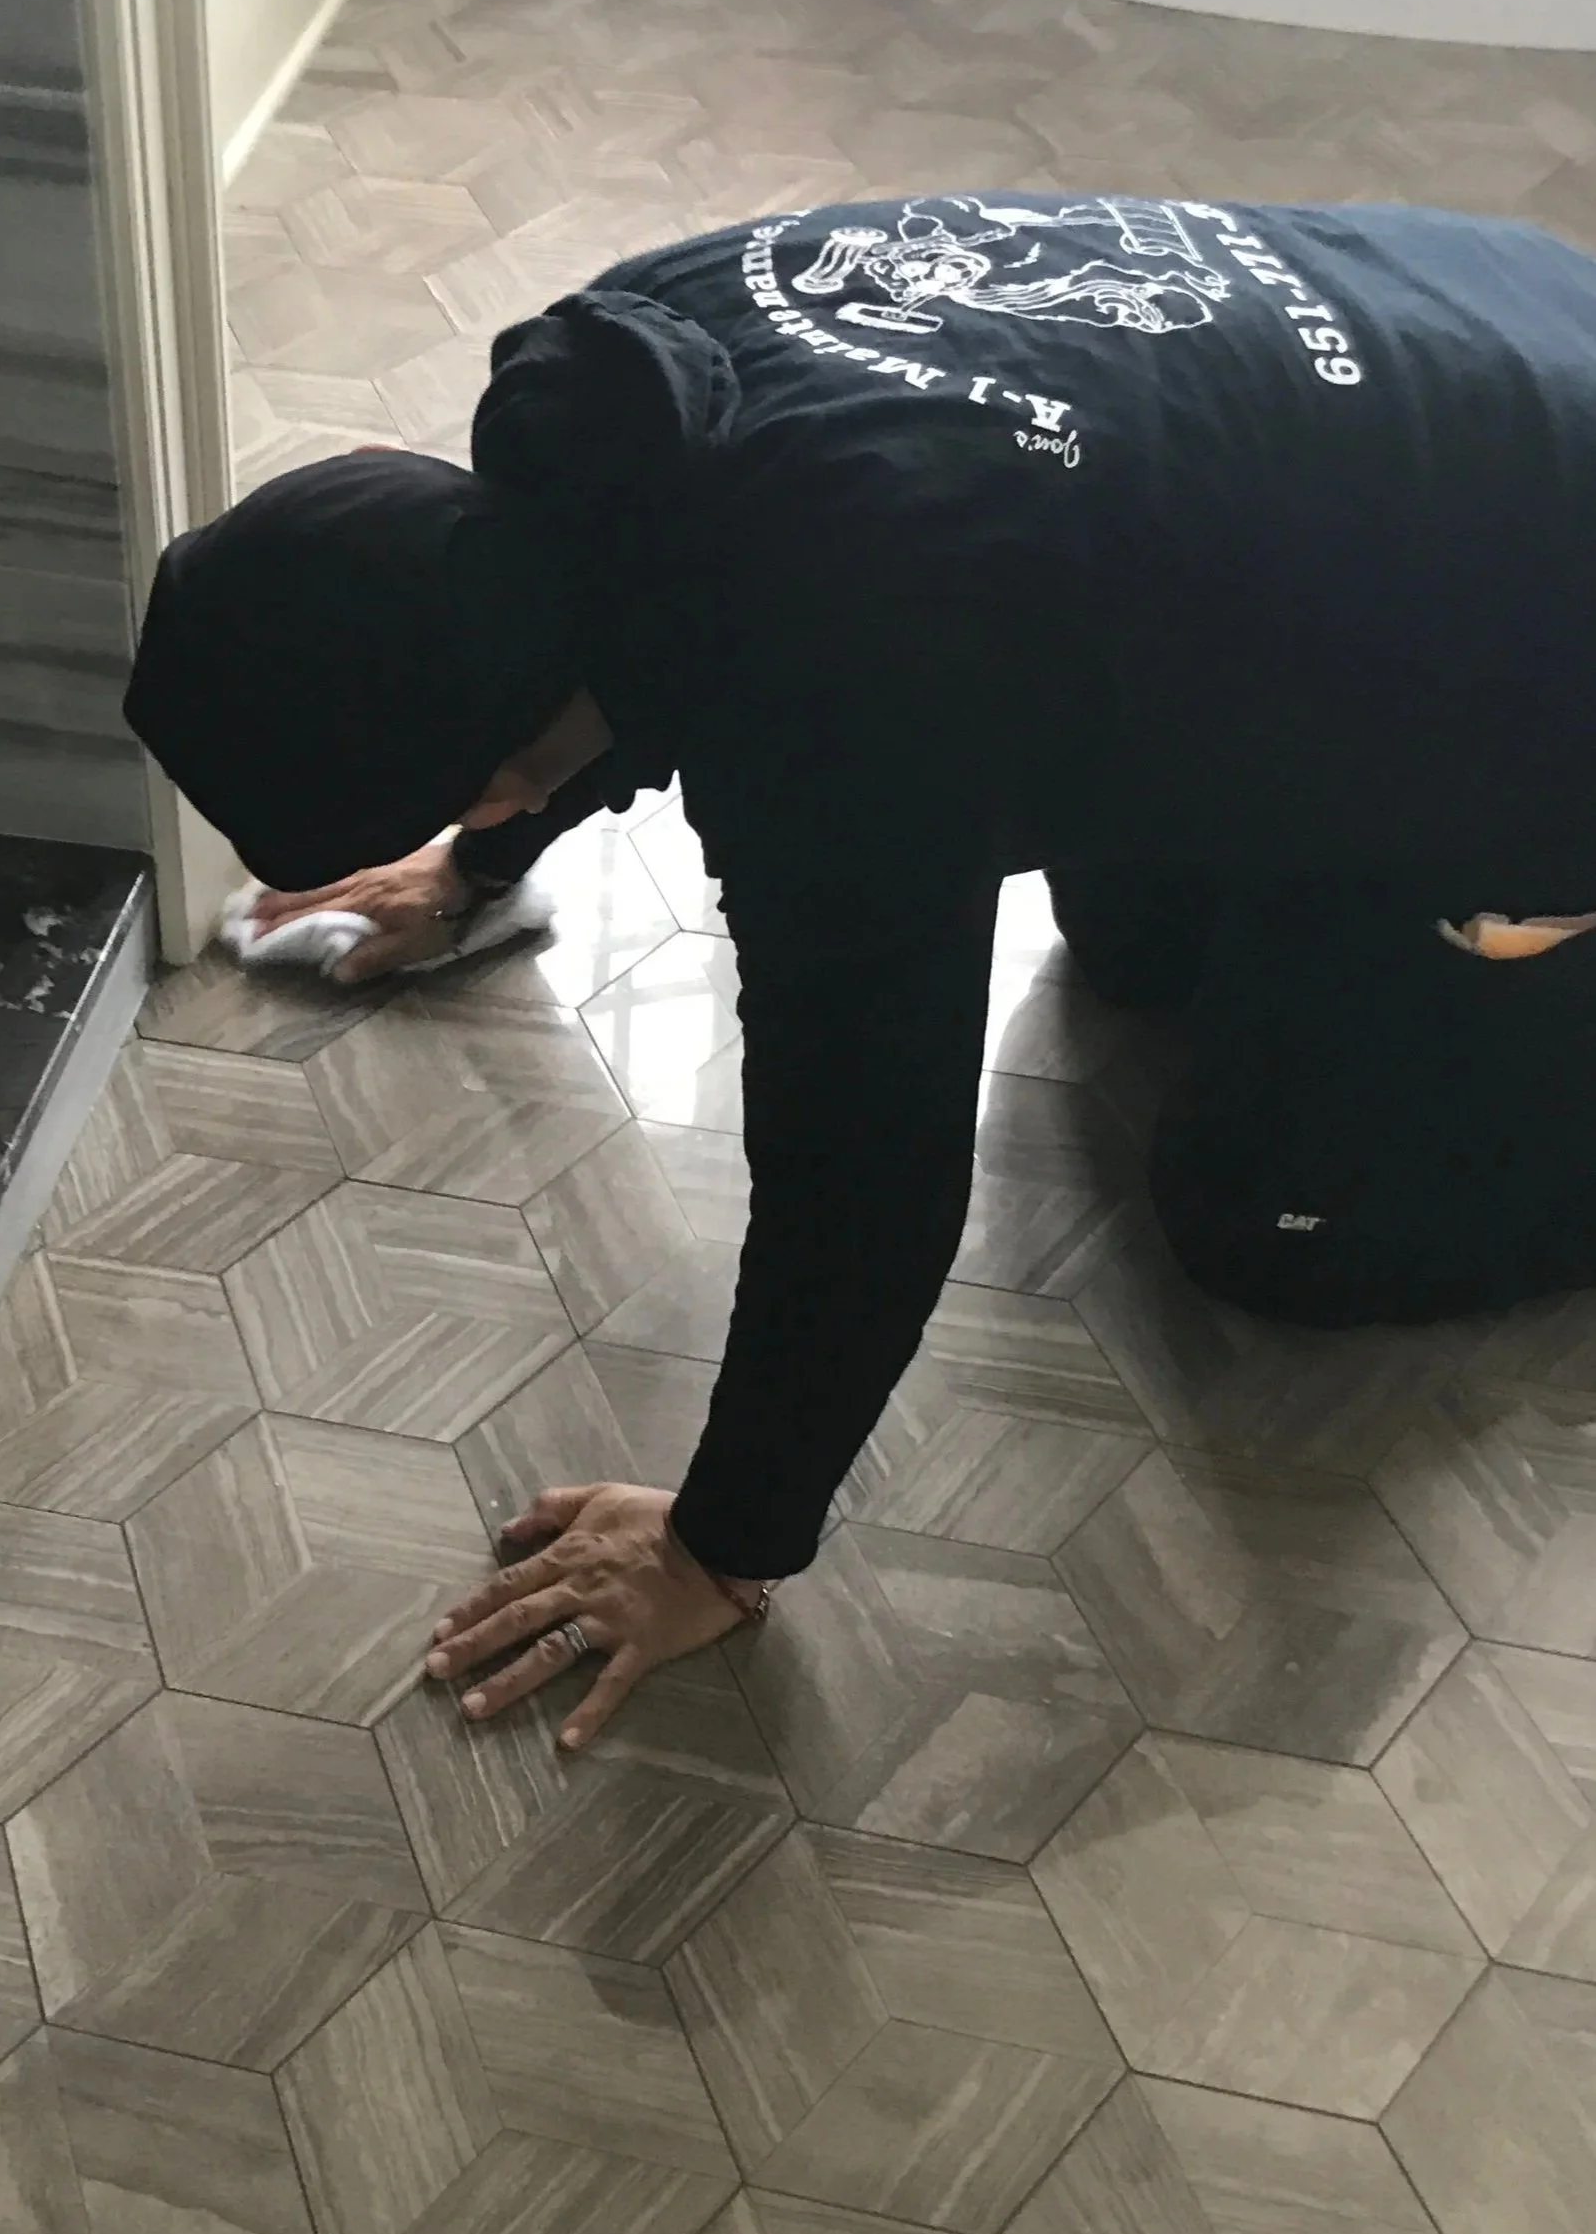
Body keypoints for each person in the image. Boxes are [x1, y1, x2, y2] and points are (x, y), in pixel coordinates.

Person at [124, 191, 1596, 1751]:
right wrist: (475, 871)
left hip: (1551, 662)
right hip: (1486, 357)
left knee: (1269, 1223)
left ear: (483, 775)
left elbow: (865, 1165)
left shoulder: (846, 688)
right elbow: (608, 647)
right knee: (1131, 941)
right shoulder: (614, 381)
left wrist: (721, 1543)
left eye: (472, 803)